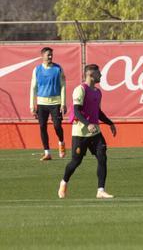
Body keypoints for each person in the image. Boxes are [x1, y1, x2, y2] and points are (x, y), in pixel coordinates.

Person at [58, 64, 116, 199]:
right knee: (76, 162)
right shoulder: (80, 90)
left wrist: (110, 123)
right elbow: (77, 111)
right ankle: (64, 182)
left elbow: (98, 112)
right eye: (98, 73)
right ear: (91, 75)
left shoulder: (98, 92)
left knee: (102, 157)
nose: (101, 75)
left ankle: (100, 190)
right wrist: (88, 124)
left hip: (95, 132)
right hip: (80, 133)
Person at [29, 46, 66, 161]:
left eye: (51, 55)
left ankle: (61, 142)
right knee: (42, 126)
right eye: (48, 55)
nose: (50, 57)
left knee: (57, 126)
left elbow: (63, 86)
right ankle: (47, 153)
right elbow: (33, 88)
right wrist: (32, 106)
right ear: (42, 56)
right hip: (41, 103)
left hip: (56, 103)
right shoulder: (37, 70)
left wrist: (63, 103)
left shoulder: (58, 68)